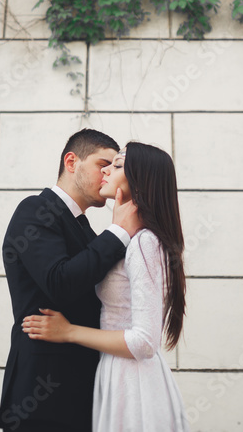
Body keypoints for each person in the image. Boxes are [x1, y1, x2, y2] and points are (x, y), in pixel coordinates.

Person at [22, 142, 190, 432]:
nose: (107, 170)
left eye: (118, 164)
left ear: (141, 179)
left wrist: (69, 332)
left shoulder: (145, 243)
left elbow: (145, 342)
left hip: (134, 382)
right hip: (116, 373)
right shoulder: (129, 240)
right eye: (106, 163)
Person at [0, 129, 143, 432]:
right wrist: (119, 232)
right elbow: (59, 282)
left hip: (86, 394)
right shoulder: (36, 209)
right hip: (42, 395)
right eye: (102, 164)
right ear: (71, 161)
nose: (107, 174)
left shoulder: (87, 231)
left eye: (113, 168)